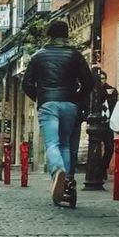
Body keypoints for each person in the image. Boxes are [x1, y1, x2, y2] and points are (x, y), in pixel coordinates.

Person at [22, 20, 94, 204]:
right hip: (70, 104)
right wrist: (76, 98)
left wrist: (40, 97)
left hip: (48, 104)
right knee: (65, 145)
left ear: (49, 35)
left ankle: (58, 171)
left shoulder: (38, 56)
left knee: (52, 144)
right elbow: (89, 83)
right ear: (66, 35)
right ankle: (67, 180)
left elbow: (27, 84)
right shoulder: (75, 55)